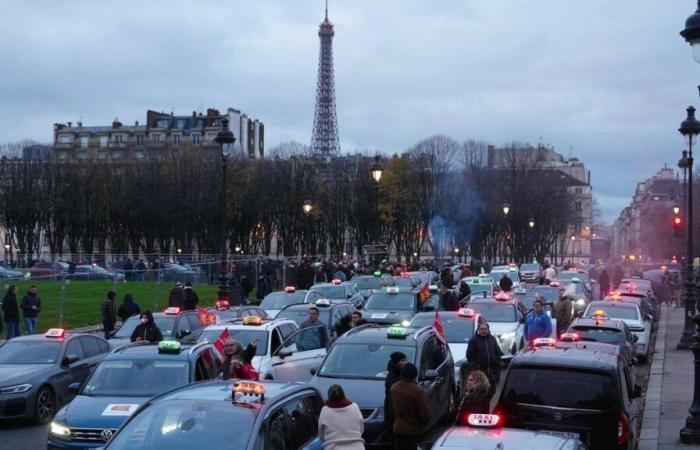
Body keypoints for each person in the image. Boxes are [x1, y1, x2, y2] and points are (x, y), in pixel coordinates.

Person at [390, 363, 431, 450]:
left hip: (398, 428)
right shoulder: (417, 391)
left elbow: (391, 408)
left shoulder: (394, 388)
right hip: (413, 430)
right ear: (415, 374)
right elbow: (424, 413)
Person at [318, 384, 364, 450]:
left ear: (329, 396)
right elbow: (361, 429)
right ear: (343, 395)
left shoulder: (325, 410)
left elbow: (321, 435)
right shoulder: (354, 407)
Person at [466, 321, 502, 396]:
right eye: (481, 329)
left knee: (492, 391)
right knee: (481, 394)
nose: (483, 330)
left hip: (491, 373)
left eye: (485, 329)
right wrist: (476, 369)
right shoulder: (473, 341)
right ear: (478, 330)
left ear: (488, 330)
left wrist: (497, 370)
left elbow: (497, 353)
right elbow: (470, 356)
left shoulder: (492, 339)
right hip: (480, 374)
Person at [383, 352, 408, 443]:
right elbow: (393, 400)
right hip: (393, 416)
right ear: (396, 362)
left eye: (406, 360)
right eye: (403, 361)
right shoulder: (392, 378)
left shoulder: (399, 373)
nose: (405, 363)